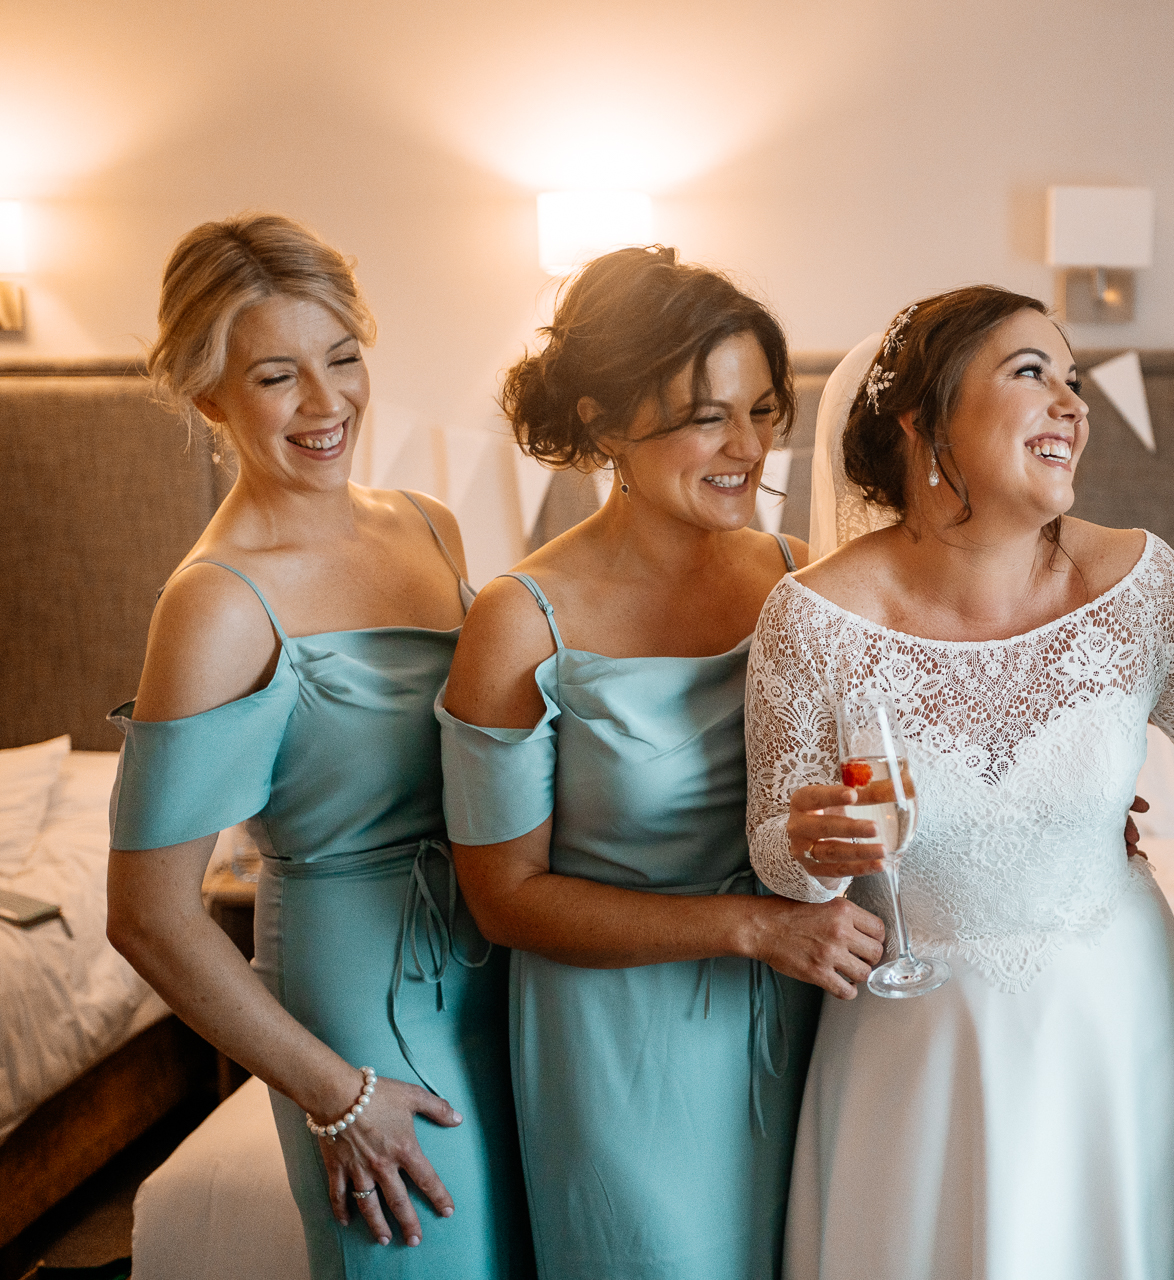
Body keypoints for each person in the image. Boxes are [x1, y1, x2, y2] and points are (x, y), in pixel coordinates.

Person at [746, 285, 1174, 1280]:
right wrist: (808, 846)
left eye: (1075, 378)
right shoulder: (811, 617)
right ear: (924, 423)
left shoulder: (1137, 585)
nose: (1073, 404)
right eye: (1030, 373)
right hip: (914, 1040)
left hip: (1116, 1025)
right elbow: (781, 859)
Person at [436, 246, 885, 1280]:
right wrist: (755, 926)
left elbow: (894, 745)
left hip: (804, 1008)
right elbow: (503, 897)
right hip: (618, 1042)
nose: (748, 447)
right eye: (705, 416)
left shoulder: (796, 574)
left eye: (764, 409)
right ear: (602, 423)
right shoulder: (519, 621)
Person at [105, 214, 532, 1277]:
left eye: (343, 359)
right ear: (211, 395)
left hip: (498, 961)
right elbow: (148, 914)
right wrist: (334, 1093)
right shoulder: (215, 601)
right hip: (359, 999)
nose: (328, 401)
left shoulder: (429, 524)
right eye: (277, 376)